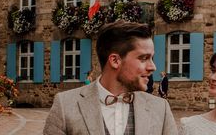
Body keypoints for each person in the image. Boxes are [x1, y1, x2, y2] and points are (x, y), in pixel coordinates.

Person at [43, 21, 177, 135]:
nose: (153, 67)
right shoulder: (65, 105)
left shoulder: (160, 109)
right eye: (143, 58)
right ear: (115, 61)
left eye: (151, 58)